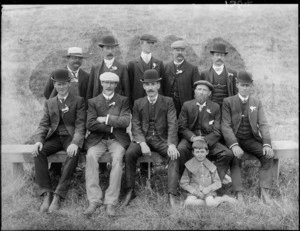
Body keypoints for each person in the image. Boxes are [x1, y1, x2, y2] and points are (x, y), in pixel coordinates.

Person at [121, 69, 179, 207]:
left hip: (161, 140)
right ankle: (130, 191)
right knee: (129, 153)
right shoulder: (138, 103)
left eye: (153, 84)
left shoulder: (168, 101)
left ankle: (172, 194)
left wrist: (171, 144)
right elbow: (135, 125)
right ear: (143, 86)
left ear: (158, 85)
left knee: (174, 155)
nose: (151, 87)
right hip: (144, 139)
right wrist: (141, 143)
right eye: (147, 85)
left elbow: (172, 123)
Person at [170, 80, 234, 203]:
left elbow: (217, 131)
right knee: (181, 150)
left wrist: (204, 142)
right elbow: (182, 126)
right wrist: (193, 138)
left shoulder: (215, 107)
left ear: (209, 93)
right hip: (190, 139)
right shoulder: (187, 105)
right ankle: (187, 184)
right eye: (199, 89)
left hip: (208, 140)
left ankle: (213, 186)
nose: (201, 92)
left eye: (204, 90)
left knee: (227, 153)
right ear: (194, 91)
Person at [32, 69, 86, 213]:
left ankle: (59, 194)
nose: (61, 87)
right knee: (39, 152)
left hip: (70, 136)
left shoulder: (78, 101)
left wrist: (75, 142)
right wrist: (39, 141)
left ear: (69, 84)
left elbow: (81, 125)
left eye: (64, 84)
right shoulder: (50, 102)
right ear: (54, 84)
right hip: (55, 137)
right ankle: (47, 192)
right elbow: (44, 124)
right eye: (58, 84)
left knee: (73, 154)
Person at [221, 71, 274, 204]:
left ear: (251, 86)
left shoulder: (256, 102)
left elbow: (263, 124)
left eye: (247, 85)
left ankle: (264, 191)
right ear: (237, 85)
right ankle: (239, 192)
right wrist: (233, 145)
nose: (245, 88)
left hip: (251, 139)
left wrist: (267, 143)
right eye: (242, 85)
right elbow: (226, 126)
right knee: (235, 157)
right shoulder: (228, 101)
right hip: (236, 139)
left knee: (267, 156)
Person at [83, 72, 131, 216]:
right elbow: (90, 124)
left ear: (116, 85)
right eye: (106, 82)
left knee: (117, 159)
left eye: (112, 83)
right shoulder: (93, 101)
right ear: (101, 83)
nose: (109, 86)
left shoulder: (123, 100)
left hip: (117, 139)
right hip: (97, 140)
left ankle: (111, 201)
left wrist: (106, 119)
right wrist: (111, 125)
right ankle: (94, 200)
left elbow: (125, 121)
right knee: (90, 156)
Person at [43, 47, 89, 177]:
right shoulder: (57, 74)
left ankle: (73, 168)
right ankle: (55, 169)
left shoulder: (86, 76)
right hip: (59, 114)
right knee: (57, 135)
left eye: (79, 58)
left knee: (75, 139)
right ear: (68, 58)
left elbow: (88, 95)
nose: (77, 61)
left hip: (78, 114)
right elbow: (47, 92)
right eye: (74, 58)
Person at [180, 140, 238, 207]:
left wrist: (208, 189)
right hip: (194, 192)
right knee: (189, 203)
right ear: (193, 152)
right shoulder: (189, 165)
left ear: (207, 152)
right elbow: (183, 183)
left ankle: (223, 199)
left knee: (211, 203)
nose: (200, 154)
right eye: (197, 152)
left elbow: (218, 183)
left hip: (208, 192)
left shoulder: (211, 166)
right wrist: (195, 192)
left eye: (202, 152)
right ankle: (214, 202)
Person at [86, 35, 130, 100]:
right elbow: (90, 91)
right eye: (107, 48)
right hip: (99, 105)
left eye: (112, 48)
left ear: (115, 50)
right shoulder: (95, 68)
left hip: (117, 105)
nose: (110, 51)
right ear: (102, 50)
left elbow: (126, 91)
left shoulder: (122, 68)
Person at [163, 40, 200, 117]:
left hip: (185, 106)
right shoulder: (165, 67)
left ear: (185, 52)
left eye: (182, 50)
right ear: (172, 52)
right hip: (168, 106)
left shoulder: (192, 69)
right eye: (177, 50)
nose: (180, 53)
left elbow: (197, 89)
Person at [127, 34, 165, 106]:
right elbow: (130, 86)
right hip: (138, 102)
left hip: (156, 103)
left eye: (152, 43)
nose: (151, 45)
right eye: (148, 43)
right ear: (141, 44)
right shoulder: (132, 64)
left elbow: (162, 85)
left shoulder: (159, 63)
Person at [200, 43, 238, 107]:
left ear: (224, 58)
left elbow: (235, 93)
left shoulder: (232, 73)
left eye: (222, 55)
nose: (219, 58)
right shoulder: (204, 73)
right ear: (212, 57)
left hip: (226, 107)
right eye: (217, 55)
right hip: (210, 107)